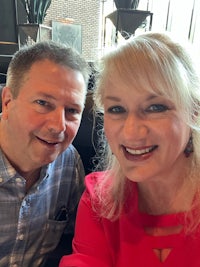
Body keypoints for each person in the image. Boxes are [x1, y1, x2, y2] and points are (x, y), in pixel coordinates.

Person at [59, 32, 200, 267]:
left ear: (193, 111)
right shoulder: (100, 202)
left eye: (155, 107)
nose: (131, 131)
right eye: (117, 109)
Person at [0, 40, 89, 267]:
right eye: (43, 103)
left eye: (72, 111)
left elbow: (71, 243)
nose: (59, 126)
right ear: (8, 102)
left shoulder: (69, 163)